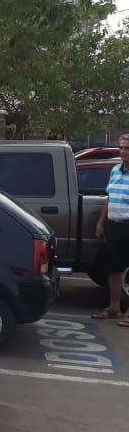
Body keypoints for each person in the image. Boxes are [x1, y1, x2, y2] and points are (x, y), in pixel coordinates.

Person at [91, 135, 129, 324]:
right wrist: (100, 222)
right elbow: (110, 197)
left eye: (127, 148)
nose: (123, 152)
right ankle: (114, 307)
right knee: (114, 269)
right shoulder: (115, 170)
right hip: (114, 225)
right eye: (121, 148)